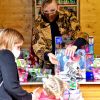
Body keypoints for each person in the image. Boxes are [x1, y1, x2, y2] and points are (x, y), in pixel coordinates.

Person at [32, 0, 89, 74]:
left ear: (58, 7)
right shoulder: (38, 24)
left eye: (52, 10)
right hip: (48, 65)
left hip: (70, 61)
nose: (49, 14)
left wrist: (75, 46)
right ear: (42, 10)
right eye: (46, 11)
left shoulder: (68, 17)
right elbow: (37, 46)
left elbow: (81, 34)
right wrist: (48, 55)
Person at [0, 28, 35, 100]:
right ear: (9, 43)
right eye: (18, 47)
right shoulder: (6, 54)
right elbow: (12, 86)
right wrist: (30, 97)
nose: (19, 50)